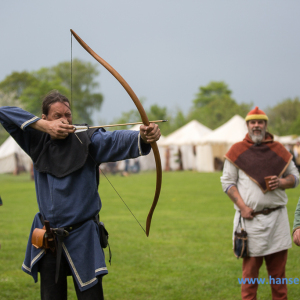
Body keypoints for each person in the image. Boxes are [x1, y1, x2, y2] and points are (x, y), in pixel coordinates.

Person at [0, 90, 161, 300]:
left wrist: (143, 136)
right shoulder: (35, 141)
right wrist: (44, 128)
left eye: (68, 115)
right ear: (44, 118)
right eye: (57, 116)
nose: (65, 120)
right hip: (48, 237)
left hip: (83, 236)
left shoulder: (87, 139)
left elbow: (115, 140)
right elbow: (4, 112)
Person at [220, 106, 299, 300]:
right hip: (250, 222)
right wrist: (243, 207)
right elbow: (227, 182)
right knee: (249, 280)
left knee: (279, 280)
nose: (257, 125)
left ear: (265, 125)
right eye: (253, 122)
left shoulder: (279, 150)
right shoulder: (236, 151)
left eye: (260, 122)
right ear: (247, 125)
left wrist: (281, 182)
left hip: (277, 222)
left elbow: (296, 178)